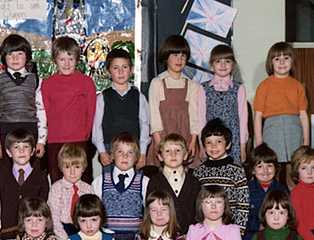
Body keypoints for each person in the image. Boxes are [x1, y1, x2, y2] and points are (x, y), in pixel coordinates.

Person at [41, 36, 97, 183]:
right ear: (54, 60)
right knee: (57, 181)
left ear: (77, 60)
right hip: (55, 140)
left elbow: (91, 113)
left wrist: (85, 136)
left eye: (71, 59)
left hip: (78, 140)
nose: (66, 64)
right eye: (62, 59)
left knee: (82, 181)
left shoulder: (86, 82)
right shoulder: (47, 84)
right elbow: (45, 113)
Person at [253, 42, 309, 187]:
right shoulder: (264, 86)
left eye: (286, 58)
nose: (282, 62)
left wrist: (306, 142)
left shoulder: (297, 86)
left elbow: (303, 115)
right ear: (271, 63)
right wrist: (259, 142)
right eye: (277, 59)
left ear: (292, 61)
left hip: (294, 131)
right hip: (272, 130)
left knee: (293, 175)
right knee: (272, 173)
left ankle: (294, 206)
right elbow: (258, 116)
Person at [0, 34, 47, 173]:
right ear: (4, 57)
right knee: (6, 174)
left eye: (19, 53)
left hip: (30, 132)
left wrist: (41, 140)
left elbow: (41, 111)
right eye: (10, 54)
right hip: (6, 133)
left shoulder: (36, 80)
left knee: (33, 173)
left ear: (27, 56)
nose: (15, 58)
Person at [92, 131, 149, 240]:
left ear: (136, 158)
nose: (124, 156)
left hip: (135, 238)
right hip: (108, 236)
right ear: (112, 155)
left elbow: (150, 211)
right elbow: (93, 212)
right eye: (120, 152)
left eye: (130, 152)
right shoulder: (101, 181)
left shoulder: (144, 181)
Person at [92, 48, 150, 171]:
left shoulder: (138, 96)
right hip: (110, 151)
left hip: (133, 150)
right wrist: (102, 151)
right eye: (115, 68)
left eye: (124, 67)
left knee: (135, 184)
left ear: (132, 69)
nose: (120, 72)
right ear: (108, 72)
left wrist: (143, 152)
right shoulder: (103, 97)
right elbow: (96, 126)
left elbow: (145, 125)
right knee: (109, 185)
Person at [147, 34, 199, 168]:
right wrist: (158, 142)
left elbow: (194, 116)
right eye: (175, 55)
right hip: (163, 137)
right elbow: (154, 114)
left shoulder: (191, 85)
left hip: (184, 136)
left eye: (183, 55)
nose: (179, 59)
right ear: (166, 56)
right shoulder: (157, 82)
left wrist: (193, 141)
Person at [192, 118, 250, 235]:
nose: (213, 146)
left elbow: (243, 205)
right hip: (205, 231)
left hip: (230, 230)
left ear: (228, 144)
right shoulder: (198, 172)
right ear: (204, 146)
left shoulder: (237, 171)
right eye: (209, 142)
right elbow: (196, 204)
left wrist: (238, 232)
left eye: (219, 142)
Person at [197, 44, 248, 165]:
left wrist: (242, 146)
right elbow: (200, 119)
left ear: (233, 64)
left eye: (227, 61)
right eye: (218, 61)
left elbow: (243, 119)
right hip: (211, 142)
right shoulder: (204, 88)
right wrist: (201, 145)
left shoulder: (238, 88)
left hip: (234, 142)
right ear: (211, 64)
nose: (223, 65)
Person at [0, 128, 50, 240]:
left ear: (32, 151)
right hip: (8, 236)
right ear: (9, 152)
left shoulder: (41, 177)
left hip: (34, 237)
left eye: (26, 146)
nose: (21, 150)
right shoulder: (2, 178)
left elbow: (44, 206)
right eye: (16, 147)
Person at [145, 133, 200, 235]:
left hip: (189, 237)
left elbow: (198, 212)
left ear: (185, 155)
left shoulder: (194, 182)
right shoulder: (154, 181)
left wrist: (191, 235)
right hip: (162, 237)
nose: (173, 154)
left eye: (177, 150)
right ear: (160, 156)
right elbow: (149, 211)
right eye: (168, 151)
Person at [47, 143, 95, 240]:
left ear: (83, 167)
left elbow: (94, 215)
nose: (72, 172)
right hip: (62, 232)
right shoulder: (56, 188)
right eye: (68, 167)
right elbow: (54, 218)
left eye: (77, 167)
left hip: (84, 230)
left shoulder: (88, 189)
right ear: (61, 167)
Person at [244, 143, 289, 240]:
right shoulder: (246, 190)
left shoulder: (283, 190)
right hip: (253, 236)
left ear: (276, 168)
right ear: (253, 170)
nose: (265, 170)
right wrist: (258, 226)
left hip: (277, 235)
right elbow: (242, 218)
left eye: (269, 166)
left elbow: (290, 216)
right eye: (260, 166)